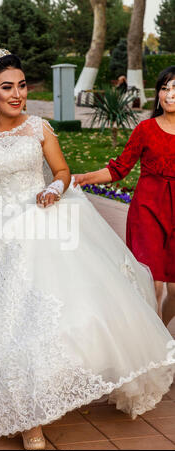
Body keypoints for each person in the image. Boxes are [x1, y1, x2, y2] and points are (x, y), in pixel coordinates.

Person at [0, 49, 175, 451]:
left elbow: (62, 171)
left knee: (61, 316)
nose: (17, 94)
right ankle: (27, 420)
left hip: (47, 224)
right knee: (4, 324)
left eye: (22, 85)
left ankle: (49, 397)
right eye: (7, 88)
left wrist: (52, 187)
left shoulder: (40, 128)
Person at [73, 66, 175, 328]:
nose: (169, 94)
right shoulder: (145, 129)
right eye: (165, 88)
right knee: (152, 282)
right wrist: (84, 178)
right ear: (158, 95)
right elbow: (119, 169)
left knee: (174, 291)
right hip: (147, 211)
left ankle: (159, 330)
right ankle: (156, 343)